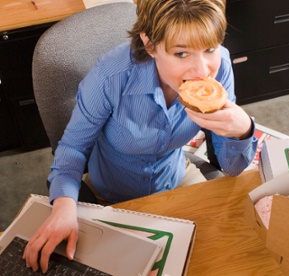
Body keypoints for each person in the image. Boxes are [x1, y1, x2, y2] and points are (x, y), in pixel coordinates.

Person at [23, 0, 258, 272]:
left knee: (225, 253)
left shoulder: (222, 65)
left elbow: (232, 167)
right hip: (111, 195)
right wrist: (63, 206)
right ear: (150, 44)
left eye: (209, 48)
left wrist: (243, 131)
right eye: (182, 53)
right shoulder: (110, 76)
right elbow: (72, 149)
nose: (203, 70)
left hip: (176, 178)